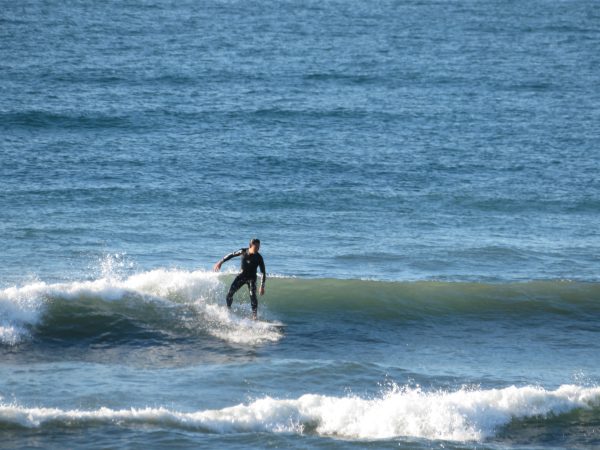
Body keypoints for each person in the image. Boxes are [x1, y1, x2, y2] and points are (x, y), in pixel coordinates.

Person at [213, 238, 266, 319]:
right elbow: (231, 254)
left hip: (252, 278)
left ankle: (254, 316)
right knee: (229, 293)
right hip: (241, 276)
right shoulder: (243, 251)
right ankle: (228, 309)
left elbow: (263, 272)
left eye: (259, 247)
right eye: (256, 247)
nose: (258, 249)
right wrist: (221, 262)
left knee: (253, 296)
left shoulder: (259, 257)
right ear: (250, 246)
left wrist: (262, 286)